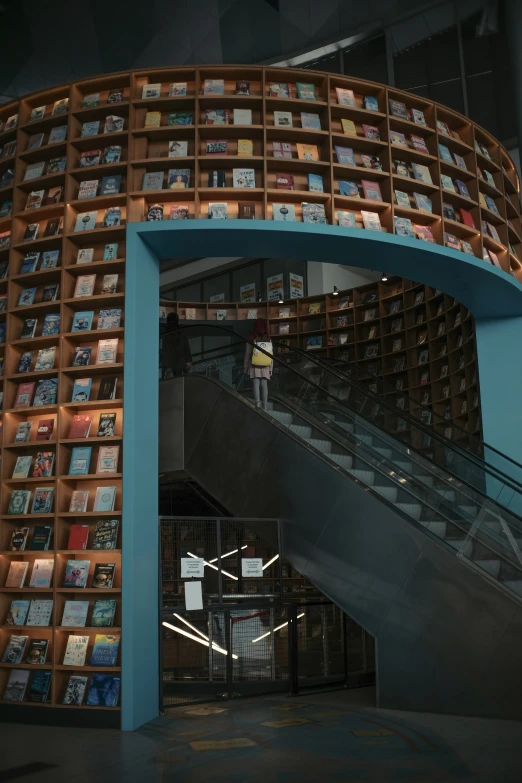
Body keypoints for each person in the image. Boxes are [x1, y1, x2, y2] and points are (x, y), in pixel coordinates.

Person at [244, 318, 272, 410]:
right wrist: (271, 367)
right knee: (264, 385)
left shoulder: (251, 337)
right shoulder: (268, 337)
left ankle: (257, 403)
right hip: (266, 365)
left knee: (256, 383)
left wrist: (245, 367)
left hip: (254, 363)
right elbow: (271, 354)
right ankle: (265, 405)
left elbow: (247, 353)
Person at [163, 312, 192, 377]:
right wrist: (188, 360)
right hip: (180, 361)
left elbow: (164, 348)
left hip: (168, 361)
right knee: (178, 380)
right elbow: (186, 346)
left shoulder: (165, 332)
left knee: (166, 381)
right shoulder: (181, 331)